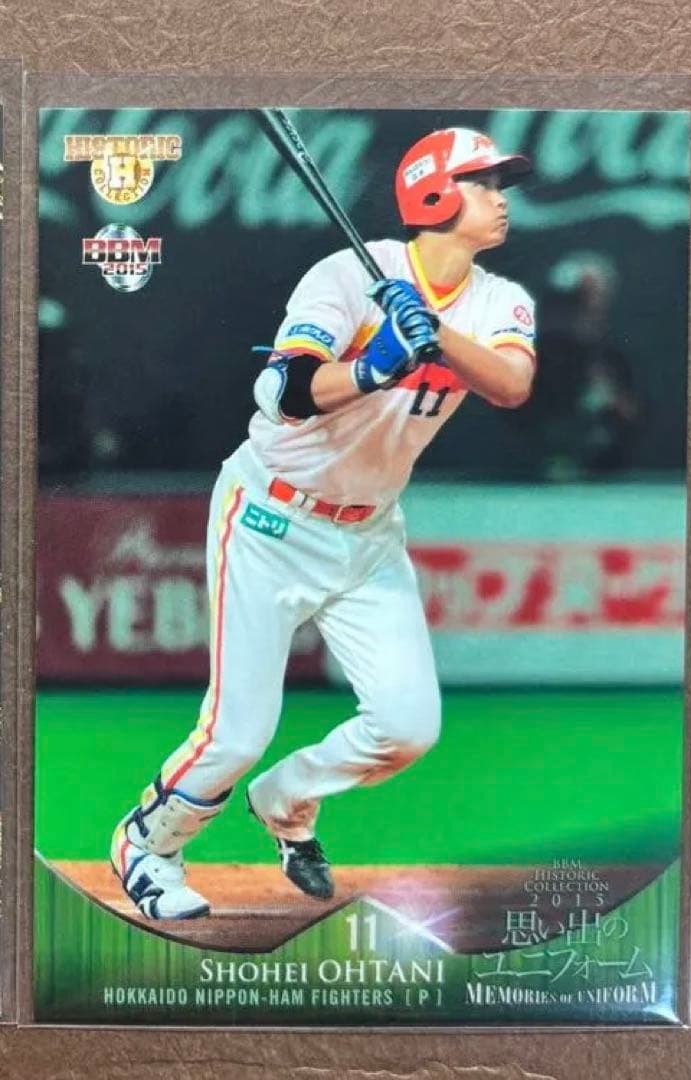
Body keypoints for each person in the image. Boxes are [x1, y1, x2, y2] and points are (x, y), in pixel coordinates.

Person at [111, 126, 537, 919]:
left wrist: (433, 332)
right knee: (236, 732)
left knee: (407, 728)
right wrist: (375, 365)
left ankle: (286, 799)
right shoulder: (347, 273)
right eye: (482, 182)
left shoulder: (499, 301)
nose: (499, 198)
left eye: (498, 183)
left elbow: (511, 384)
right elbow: (280, 392)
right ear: (433, 195)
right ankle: (147, 844)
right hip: (270, 518)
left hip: (368, 537)